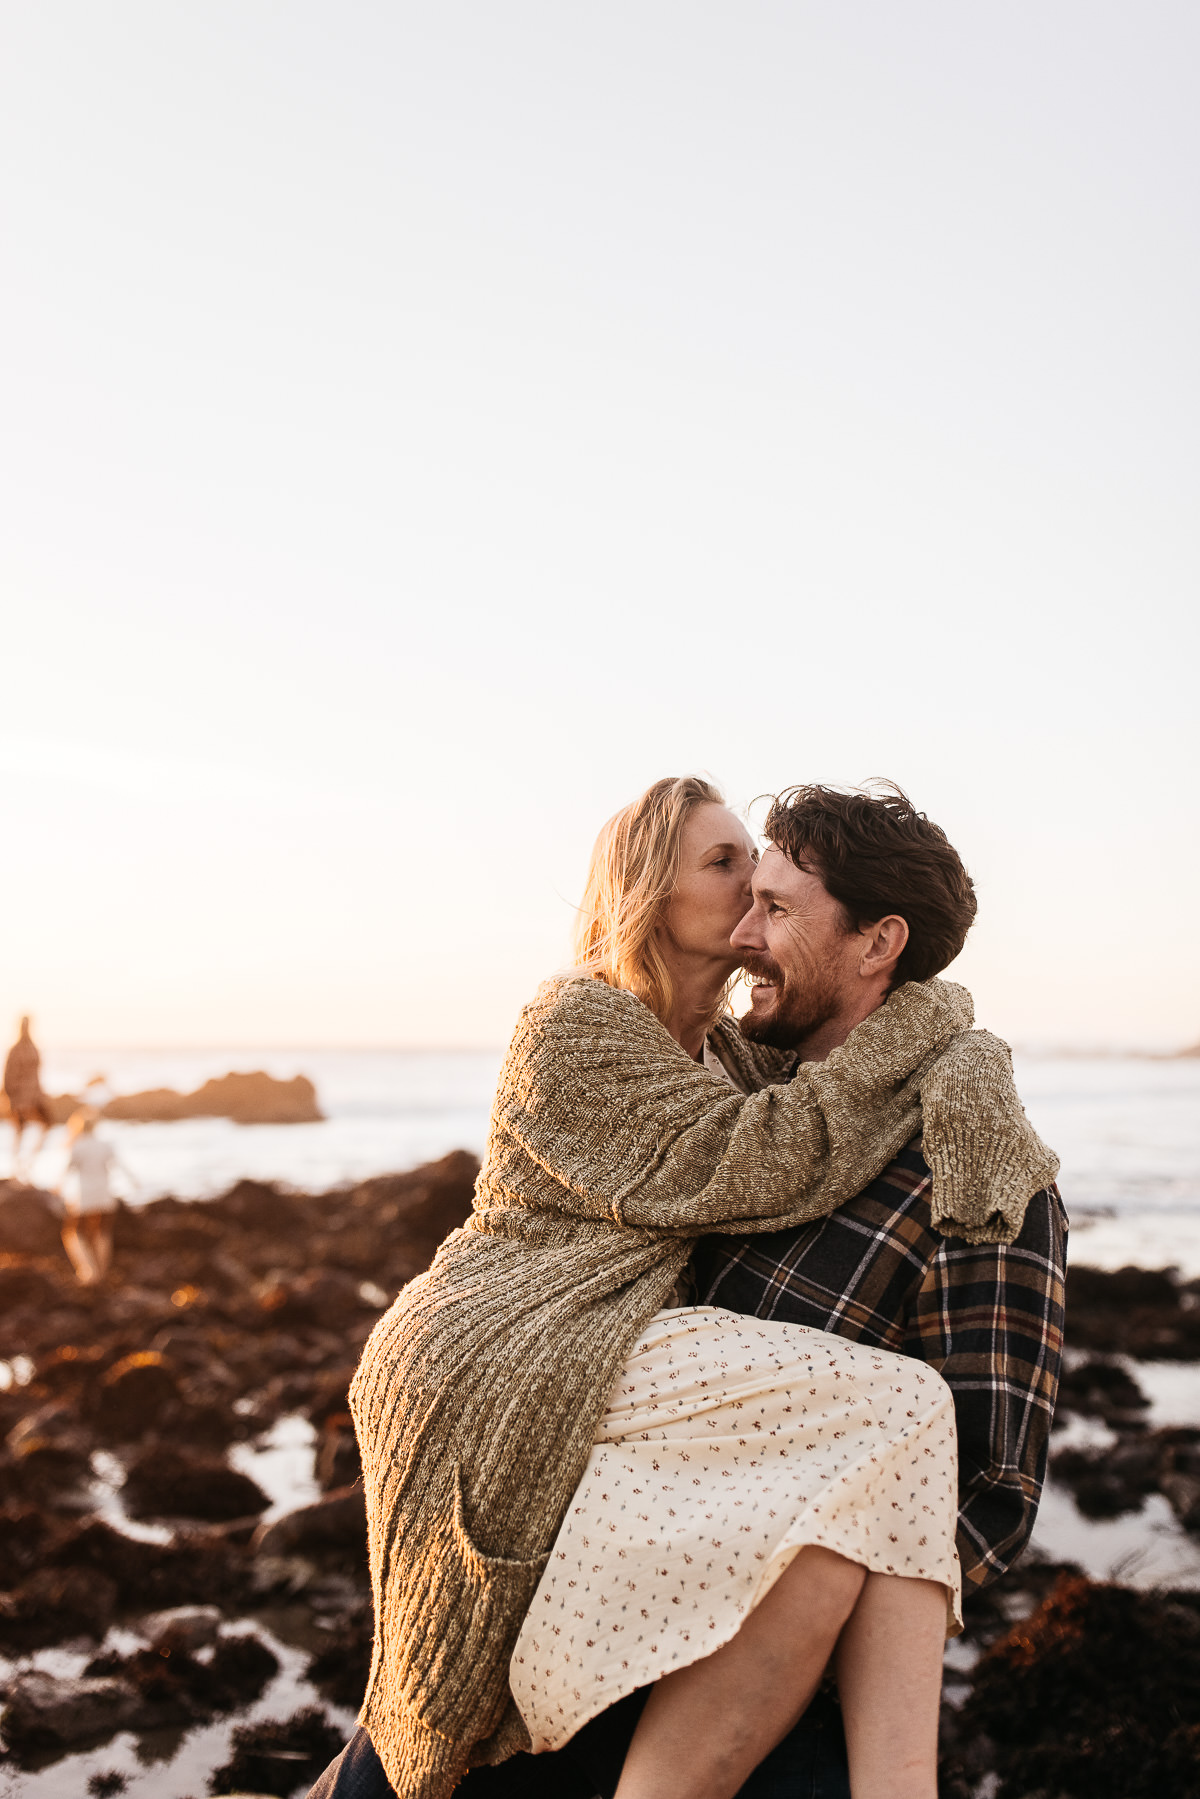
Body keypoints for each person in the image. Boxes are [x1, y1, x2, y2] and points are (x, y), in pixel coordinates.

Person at [308, 777, 1056, 1799]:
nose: (750, 911)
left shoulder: (968, 1163)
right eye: (732, 873)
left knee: (889, 1436)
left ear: (877, 943)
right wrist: (951, 1029)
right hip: (547, 1449)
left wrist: (963, 1055)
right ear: (647, 893)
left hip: (763, 1624)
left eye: (774, 897)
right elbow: (760, 1155)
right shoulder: (630, 1042)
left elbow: (988, 1480)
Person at [58, 1107, 129, 1284]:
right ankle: (102, 1273)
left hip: (85, 1199)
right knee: (102, 1234)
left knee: (72, 1234)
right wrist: (135, 1184)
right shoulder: (105, 1145)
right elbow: (121, 1167)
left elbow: (66, 1172)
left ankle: (89, 1271)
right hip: (105, 1197)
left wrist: (57, 1188)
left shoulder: (78, 1146)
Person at [4, 1015, 52, 1178]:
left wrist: (41, 1095)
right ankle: (17, 1167)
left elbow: (36, 1075)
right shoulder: (16, 1050)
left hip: (34, 1097)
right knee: (19, 1131)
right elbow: (8, 1076)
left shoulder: (32, 1048)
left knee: (46, 1125)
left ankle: (27, 1163)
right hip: (19, 1099)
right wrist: (11, 1098)